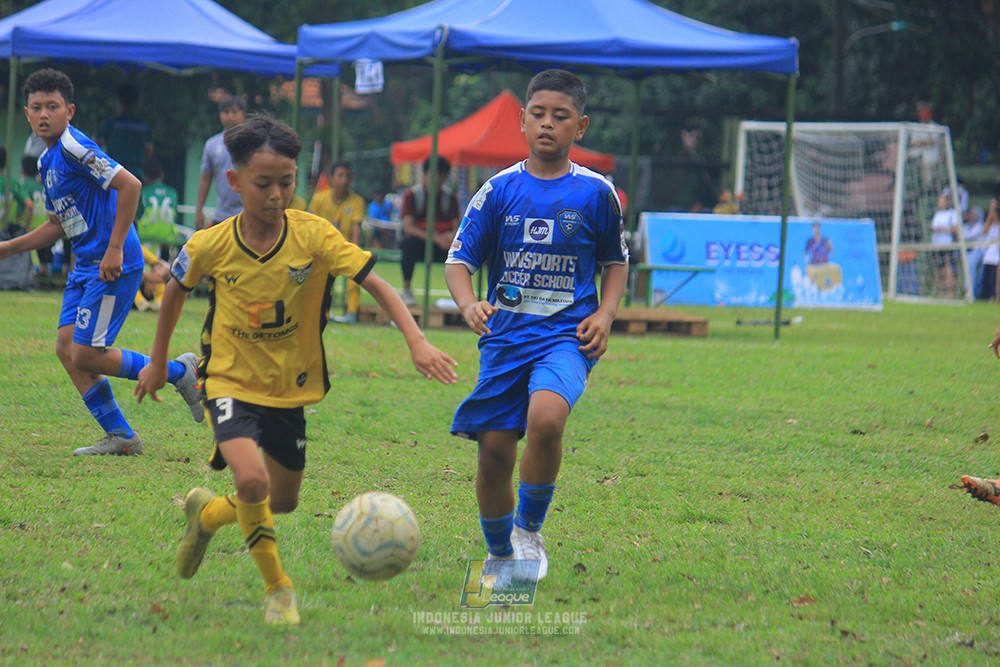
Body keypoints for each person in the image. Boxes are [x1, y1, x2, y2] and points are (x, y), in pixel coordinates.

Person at [134, 116, 458, 626]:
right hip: (227, 381)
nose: (278, 194)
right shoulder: (209, 244)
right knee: (251, 477)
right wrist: (156, 362)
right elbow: (174, 290)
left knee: (280, 501)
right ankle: (279, 590)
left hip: (289, 389)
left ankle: (208, 513)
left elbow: (378, 284)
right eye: (264, 184)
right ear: (235, 182)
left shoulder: (314, 235)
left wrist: (416, 340)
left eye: (287, 182)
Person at [444, 69, 629, 583]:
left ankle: (529, 529)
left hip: (567, 337)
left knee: (546, 419)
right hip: (505, 340)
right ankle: (501, 553)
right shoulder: (498, 190)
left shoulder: (597, 193)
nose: (548, 124)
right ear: (523, 120)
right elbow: (459, 261)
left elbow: (615, 262)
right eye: (539, 114)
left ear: (581, 126)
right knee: (495, 451)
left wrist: (606, 313)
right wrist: (467, 305)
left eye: (561, 116)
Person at [0, 68, 203, 455]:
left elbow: (131, 185)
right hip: (85, 266)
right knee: (66, 347)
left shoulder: (76, 146)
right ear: (26, 114)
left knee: (86, 353)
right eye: (37, 107)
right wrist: (10, 247)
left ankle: (180, 372)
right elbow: (58, 224)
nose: (45, 114)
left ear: (69, 110)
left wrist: (112, 249)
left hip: (113, 262)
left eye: (53, 107)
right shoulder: (46, 162)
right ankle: (122, 436)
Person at [308, 160, 365, 322]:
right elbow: (311, 226)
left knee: (355, 275)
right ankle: (318, 311)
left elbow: (356, 229)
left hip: (345, 246)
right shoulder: (319, 198)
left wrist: (355, 253)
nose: (344, 180)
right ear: (331, 178)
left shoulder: (357, 201)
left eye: (347, 176)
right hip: (323, 247)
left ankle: (352, 314)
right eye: (340, 176)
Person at [400, 155, 461, 306]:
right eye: (433, 175)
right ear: (425, 175)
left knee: (463, 249)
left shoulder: (450, 198)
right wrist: (434, 238)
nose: (437, 180)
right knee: (408, 244)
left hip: (444, 245)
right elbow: (408, 227)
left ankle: (460, 294)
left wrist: (449, 238)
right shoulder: (412, 196)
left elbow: (457, 227)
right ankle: (407, 290)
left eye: (441, 176)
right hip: (420, 243)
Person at [194, 96, 246, 230]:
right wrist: (199, 210)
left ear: (243, 114)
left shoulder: (252, 143)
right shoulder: (212, 144)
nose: (230, 116)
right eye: (226, 112)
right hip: (222, 216)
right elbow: (205, 180)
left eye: (234, 112)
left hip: (248, 214)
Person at [95, 83, 153, 183]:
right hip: (137, 174)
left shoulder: (111, 124)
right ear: (136, 103)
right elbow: (149, 150)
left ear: (118, 101)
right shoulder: (143, 127)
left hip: (115, 173)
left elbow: (94, 144)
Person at [137, 157, 179, 261]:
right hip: (167, 237)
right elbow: (174, 215)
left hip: (147, 236)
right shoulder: (172, 192)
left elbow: (137, 217)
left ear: (146, 177)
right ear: (162, 175)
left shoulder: (143, 192)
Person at [19, 155, 52, 274]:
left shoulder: (23, 184)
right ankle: (45, 271)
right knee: (44, 252)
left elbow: (28, 205)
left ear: (22, 169)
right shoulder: (41, 185)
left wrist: (25, 223)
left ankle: (31, 273)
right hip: (45, 221)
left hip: (32, 223)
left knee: (30, 251)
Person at [931, 191, 960, 298]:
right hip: (936, 245)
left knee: (947, 267)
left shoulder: (952, 213)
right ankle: (941, 291)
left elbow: (955, 229)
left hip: (947, 245)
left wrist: (942, 229)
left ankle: (951, 292)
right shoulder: (937, 214)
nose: (940, 202)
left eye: (942, 200)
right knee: (939, 269)